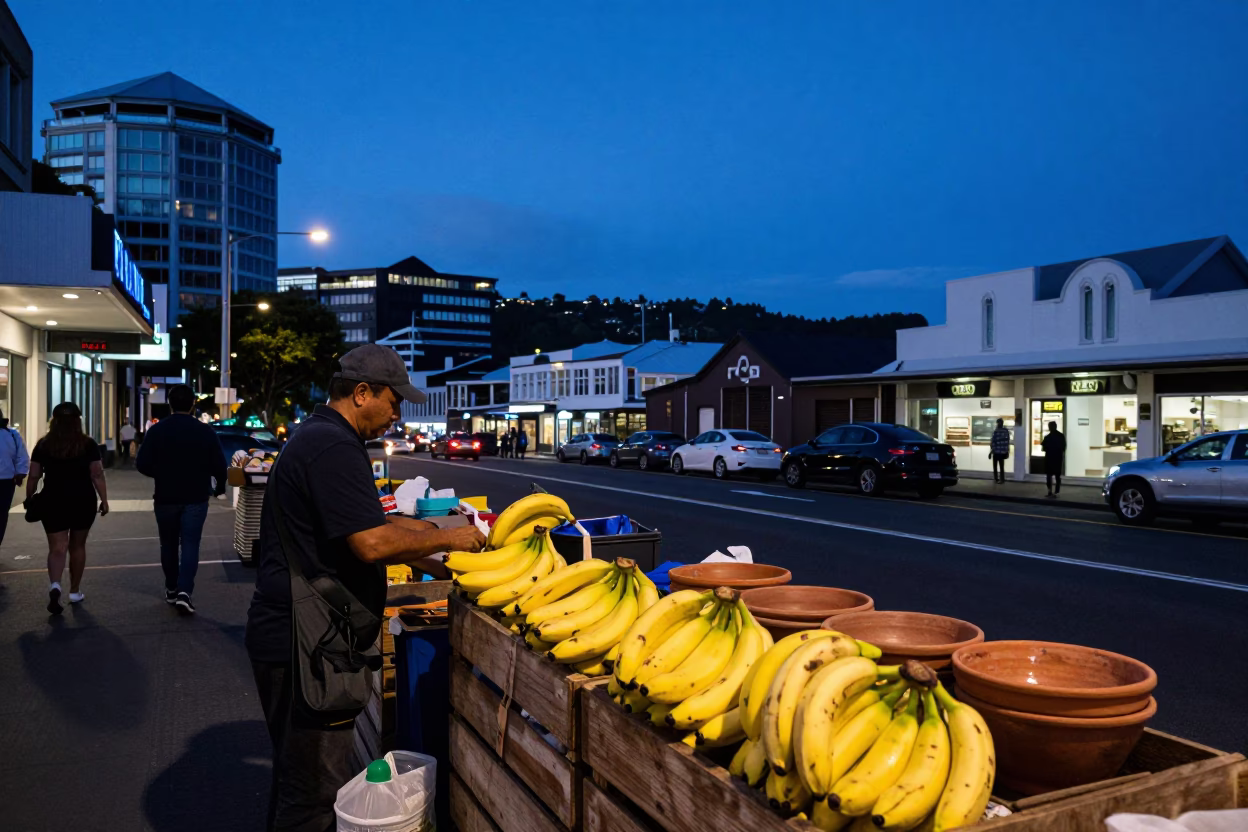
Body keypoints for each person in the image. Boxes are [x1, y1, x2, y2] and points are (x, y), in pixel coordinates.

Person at [245, 344, 485, 831]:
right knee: (313, 793)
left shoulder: (320, 438)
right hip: (305, 647)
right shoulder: (333, 447)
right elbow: (372, 543)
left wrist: (437, 559)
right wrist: (454, 536)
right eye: (393, 401)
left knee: (300, 781)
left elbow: (359, 527)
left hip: (297, 636)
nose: (397, 414)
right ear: (360, 393)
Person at [136, 384, 228, 614]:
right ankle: (185, 591)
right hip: (196, 496)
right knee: (190, 543)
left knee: (167, 544)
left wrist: (161, 473)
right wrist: (219, 487)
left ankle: (171, 588)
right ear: (193, 404)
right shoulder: (205, 432)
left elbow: (142, 463)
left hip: (165, 496)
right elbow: (219, 464)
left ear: (169, 404)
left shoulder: (157, 431)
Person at [26, 402, 108, 615]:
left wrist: (29, 497)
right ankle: (74, 591)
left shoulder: (43, 445)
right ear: (77, 421)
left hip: (53, 500)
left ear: (53, 421)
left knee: (57, 548)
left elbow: (34, 475)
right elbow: (96, 473)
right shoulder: (88, 444)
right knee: (77, 546)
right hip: (82, 500)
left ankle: (55, 586)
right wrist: (104, 499)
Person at [0, 408, 30, 550]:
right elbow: (22, 456)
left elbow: (21, 455)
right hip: (7, 481)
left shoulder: (12, 434)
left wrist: (20, 473)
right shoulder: (12, 434)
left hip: (6, 481)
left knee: (1, 514)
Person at [1041, 420, 1066, 498]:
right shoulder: (1061, 436)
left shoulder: (1047, 437)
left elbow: (1043, 448)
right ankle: (1056, 491)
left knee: (1049, 476)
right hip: (1058, 458)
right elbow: (1063, 447)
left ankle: (1050, 491)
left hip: (1049, 458)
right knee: (1057, 475)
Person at [990, 418, 1011, 484]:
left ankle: (996, 479)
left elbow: (993, 442)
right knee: (1001, 466)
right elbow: (1007, 441)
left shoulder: (996, 431)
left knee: (995, 466)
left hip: (996, 452)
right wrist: (1007, 450)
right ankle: (1002, 479)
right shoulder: (1006, 430)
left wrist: (992, 451)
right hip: (1003, 452)